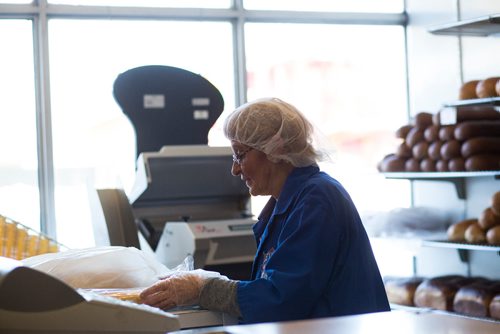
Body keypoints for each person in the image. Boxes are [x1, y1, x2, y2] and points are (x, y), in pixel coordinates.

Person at [140, 97, 390, 324]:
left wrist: (203, 288)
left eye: (239, 155)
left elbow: (282, 299)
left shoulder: (317, 199)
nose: (235, 170)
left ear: (274, 150)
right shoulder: (288, 203)